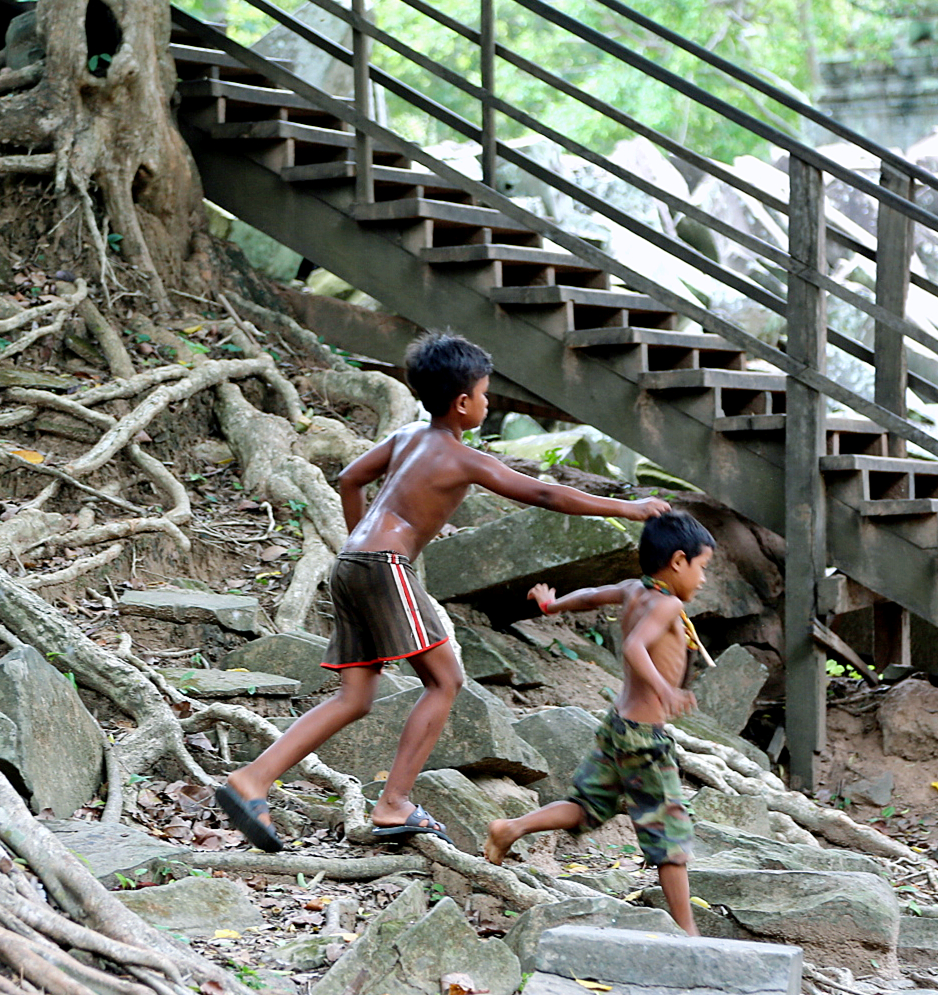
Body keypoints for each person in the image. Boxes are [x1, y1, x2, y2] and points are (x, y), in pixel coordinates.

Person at [213, 331, 670, 852]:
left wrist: (362, 540)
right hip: (385, 566)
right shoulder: (461, 458)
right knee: (445, 680)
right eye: (485, 393)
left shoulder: (407, 437)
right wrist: (628, 509)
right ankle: (393, 804)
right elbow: (545, 492)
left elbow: (348, 479)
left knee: (356, 696)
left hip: (352, 562)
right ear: (462, 402)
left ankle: (252, 779)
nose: (488, 401)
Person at [482, 510, 715, 936]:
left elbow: (590, 595)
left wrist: (554, 604)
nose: (702, 579)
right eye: (702, 568)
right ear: (679, 561)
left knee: (586, 807)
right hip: (645, 737)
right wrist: (665, 690)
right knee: (670, 837)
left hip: (617, 728)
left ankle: (510, 828)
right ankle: (689, 934)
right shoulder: (667, 603)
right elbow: (633, 647)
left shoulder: (633, 589)